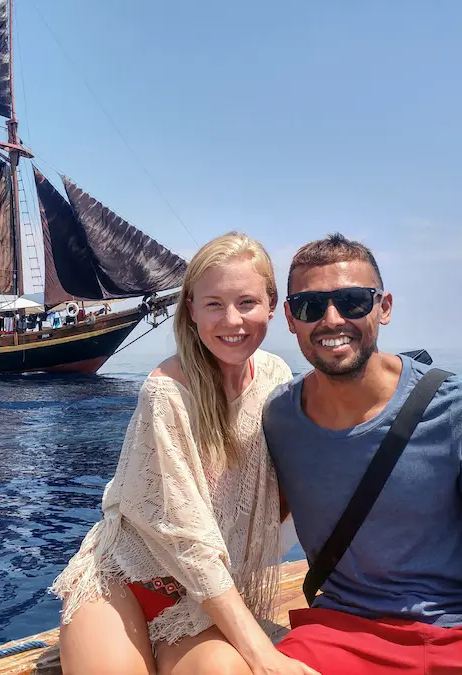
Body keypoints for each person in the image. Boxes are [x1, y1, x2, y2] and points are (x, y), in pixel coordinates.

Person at [263, 233, 462, 674]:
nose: (332, 319)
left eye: (353, 301)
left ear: (383, 307)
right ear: (290, 318)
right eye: (310, 306)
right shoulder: (280, 417)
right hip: (342, 630)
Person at [52, 232, 314, 675]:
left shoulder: (275, 377)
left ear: (272, 305)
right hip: (121, 581)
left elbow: (290, 490)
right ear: (191, 310)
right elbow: (186, 538)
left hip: (200, 600)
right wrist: (263, 655)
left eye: (247, 302)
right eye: (214, 304)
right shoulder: (166, 393)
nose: (232, 320)